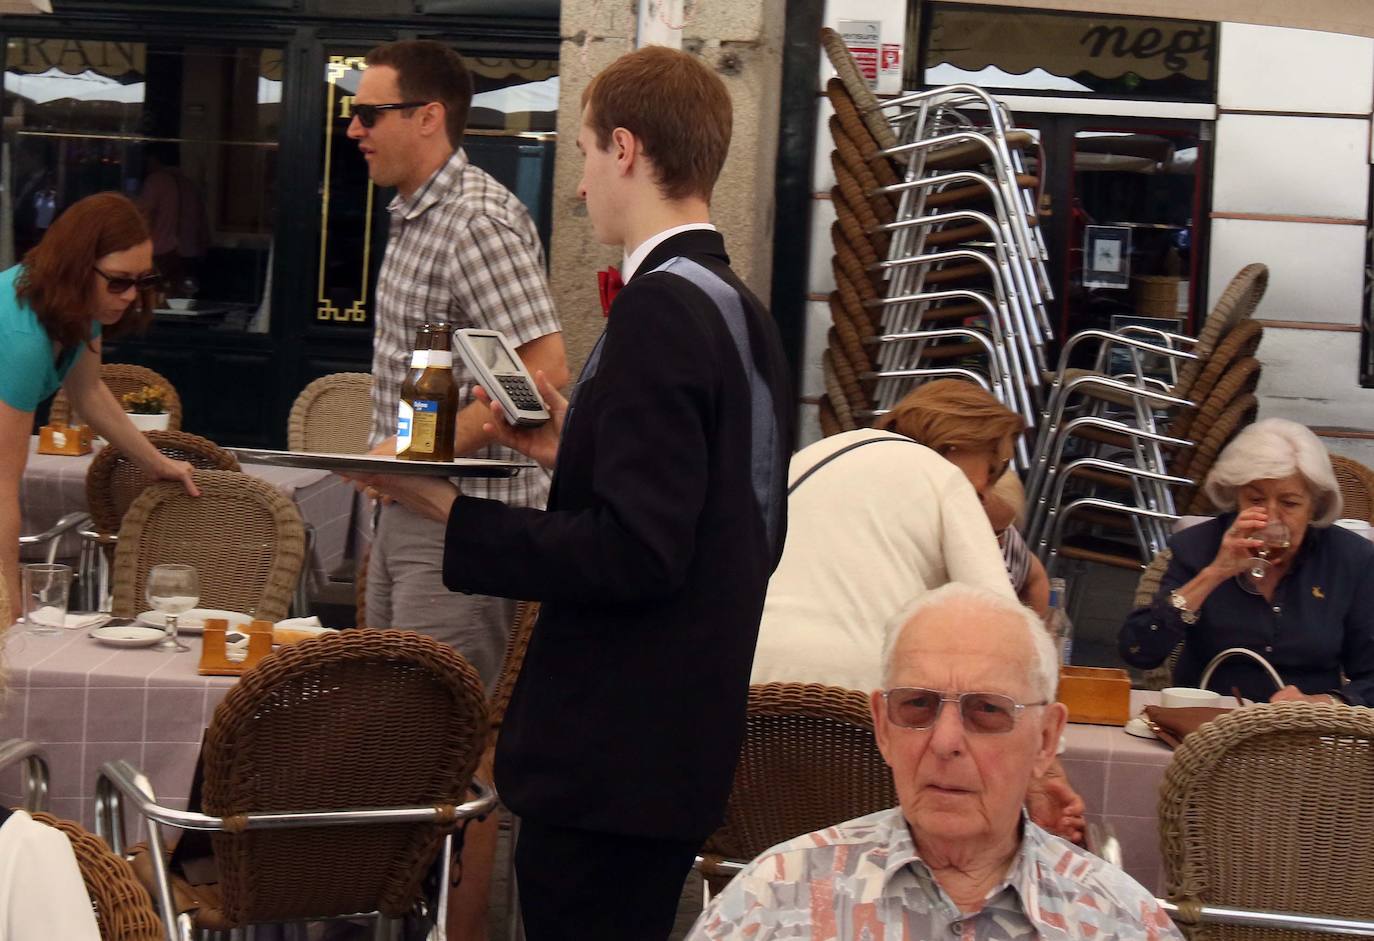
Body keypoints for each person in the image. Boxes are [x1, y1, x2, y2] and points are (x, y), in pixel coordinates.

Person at [357, 45, 793, 939]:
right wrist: (566, 453)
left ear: (626, 150)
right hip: (672, 738)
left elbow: (638, 551)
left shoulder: (662, 311)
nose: (580, 186)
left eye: (587, 153)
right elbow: (727, 517)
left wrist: (448, 506)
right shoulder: (735, 302)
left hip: (613, 754)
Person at [690, 584, 1183, 940]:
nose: (945, 741)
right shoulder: (775, 899)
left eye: (987, 710)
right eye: (918, 706)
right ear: (883, 726)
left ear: (1046, 739)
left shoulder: (1119, 923)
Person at [347, 39, 567, 682]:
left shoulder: (474, 219)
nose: (354, 128)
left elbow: (542, 373)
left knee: (423, 732)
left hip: (459, 522)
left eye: (370, 113)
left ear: (428, 116)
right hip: (408, 510)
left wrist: (409, 452)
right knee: (387, 723)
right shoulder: (418, 213)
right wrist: (396, 458)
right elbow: (435, 364)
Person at [0, 192, 197, 623]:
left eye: (142, 281)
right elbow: (2, 486)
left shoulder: (78, 306)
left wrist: (154, 460)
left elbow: (88, 392)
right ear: (76, 267)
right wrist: (9, 599)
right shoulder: (22, 339)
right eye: (118, 281)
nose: (130, 295)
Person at [1121, 418, 1374, 704]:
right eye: (1255, 499)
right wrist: (1214, 573)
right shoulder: (1199, 546)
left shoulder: (1349, 560)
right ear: (1235, 495)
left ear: (1314, 505)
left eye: (1289, 503)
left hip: (1307, 736)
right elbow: (1138, 650)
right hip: (1208, 728)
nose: (1272, 517)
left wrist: (1325, 703)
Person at [137, 143, 210, 289]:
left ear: (153, 159)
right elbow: (202, 222)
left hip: (161, 253)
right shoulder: (190, 185)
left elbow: (146, 216)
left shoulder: (156, 181)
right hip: (189, 253)